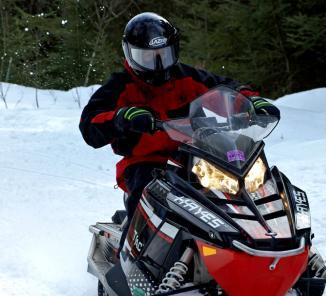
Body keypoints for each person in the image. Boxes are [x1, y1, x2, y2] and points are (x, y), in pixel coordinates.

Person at [79, 12, 280, 246]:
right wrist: (122, 118)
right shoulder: (120, 86)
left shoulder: (187, 77)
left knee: (247, 183)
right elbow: (90, 124)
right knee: (146, 194)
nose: (158, 65)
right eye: (147, 58)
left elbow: (227, 88)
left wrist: (251, 101)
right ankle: (133, 251)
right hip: (148, 162)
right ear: (130, 54)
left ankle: (270, 239)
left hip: (197, 155)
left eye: (163, 55)